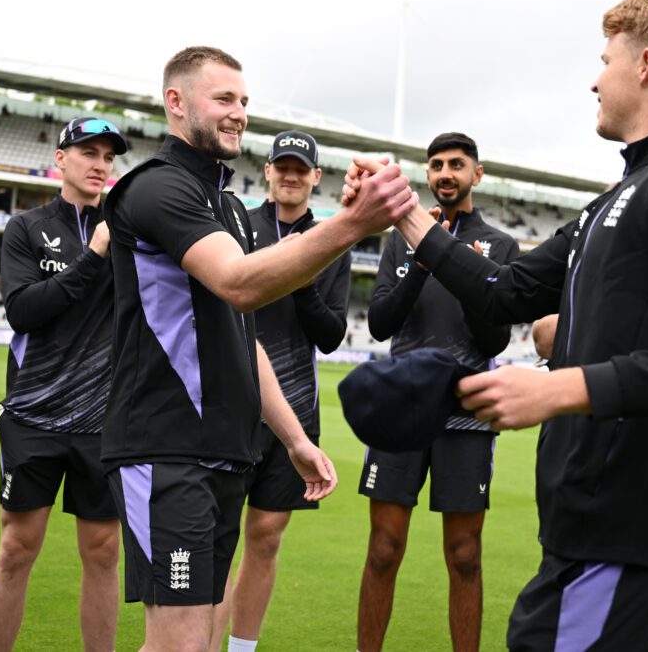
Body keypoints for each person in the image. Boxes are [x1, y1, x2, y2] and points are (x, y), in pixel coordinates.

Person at [346, 0, 648, 650]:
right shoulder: (616, 199)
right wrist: (403, 208)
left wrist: (558, 387)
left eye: (606, 58)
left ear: (646, 66)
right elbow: (504, 291)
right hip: (588, 531)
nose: (594, 80)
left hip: (631, 531)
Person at [102, 46, 416, 652]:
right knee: (182, 641)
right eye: (223, 99)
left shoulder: (225, 207)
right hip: (165, 448)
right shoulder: (157, 189)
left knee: (195, 634)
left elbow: (243, 340)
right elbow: (240, 286)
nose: (239, 113)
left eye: (244, 101)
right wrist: (352, 224)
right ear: (176, 102)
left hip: (222, 450)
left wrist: (296, 440)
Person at [355, 132, 518, 652]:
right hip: (402, 406)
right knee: (383, 548)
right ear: (427, 173)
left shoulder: (500, 245)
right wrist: (425, 262)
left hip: (467, 408)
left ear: (478, 173)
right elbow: (379, 324)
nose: (445, 173)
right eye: (436, 165)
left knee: (465, 554)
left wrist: (467, 270)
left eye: (456, 164)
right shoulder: (399, 239)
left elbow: (494, 337)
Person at [0, 117, 128, 652]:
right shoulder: (26, 228)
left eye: (109, 157)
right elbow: (24, 311)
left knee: (104, 551)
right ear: (60, 158)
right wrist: (93, 258)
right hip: (32, 416)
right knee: (17, 548)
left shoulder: (128, 231)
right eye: (88, 152)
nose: (100, 164)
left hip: (102, 420)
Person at [210, 131, 352, 652]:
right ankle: (200, 644)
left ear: (316, 177)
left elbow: (332, 335)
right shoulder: (238, 224)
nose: (291, 176)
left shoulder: (333, 238)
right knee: (219, 536)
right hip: (234, 401)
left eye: (302, 168)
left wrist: (301, 268)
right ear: (267, 171)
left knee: (266, 536)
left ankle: (241, 648)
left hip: (296, 406)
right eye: (282, 166)